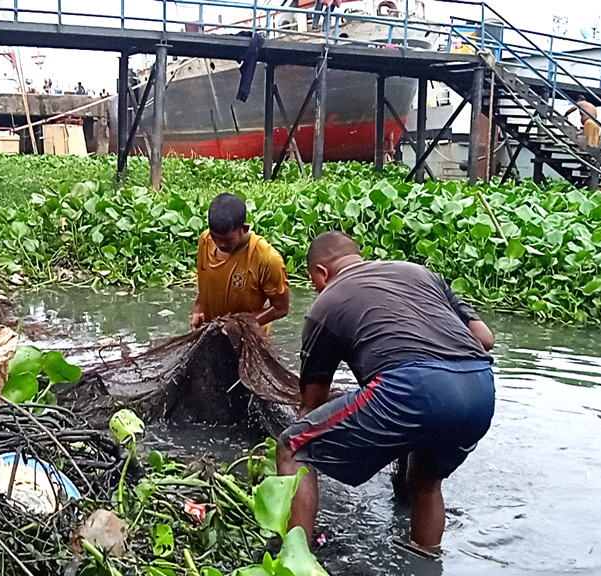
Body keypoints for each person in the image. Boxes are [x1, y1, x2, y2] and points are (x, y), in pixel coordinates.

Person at [278, 231, 495, 557]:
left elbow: (311, 405)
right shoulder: (419, 273)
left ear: (321, 273)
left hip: (409, 386)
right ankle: (425, 556)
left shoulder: (327, 301)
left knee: (293, 447)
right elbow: (484, 338)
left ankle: (295, 558)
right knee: (423, 479)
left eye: (313, 281)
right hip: (479, 386)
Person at [191, 193, 289, 334]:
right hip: (213, 333)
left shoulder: (267, 258)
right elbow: (205, 289)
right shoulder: (205, 241)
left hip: (249, 336)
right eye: (215, 237)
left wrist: (239, 325)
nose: (220, 244)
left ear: (244, 229)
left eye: (228, 240)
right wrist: (197, 311)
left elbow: (281, 308)